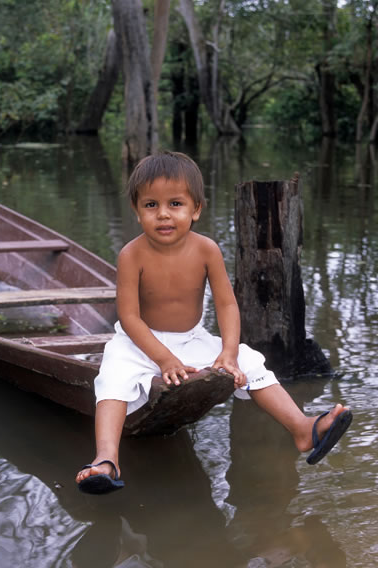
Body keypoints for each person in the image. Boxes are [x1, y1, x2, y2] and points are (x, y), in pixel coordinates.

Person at [76, 151, 352, 494]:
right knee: (112, 378)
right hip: (139, 342)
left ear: (196, 210)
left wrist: (229, 352)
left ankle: (302, 427)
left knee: (252, 362)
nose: (163, 214)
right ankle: (107, 458)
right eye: (151, 205)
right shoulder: (132, 254)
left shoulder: (206, 249)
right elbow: (130, 317)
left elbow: (226, 304)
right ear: (136, 211)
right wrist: (162, 358)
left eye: (175, 203)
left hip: (191, 339)